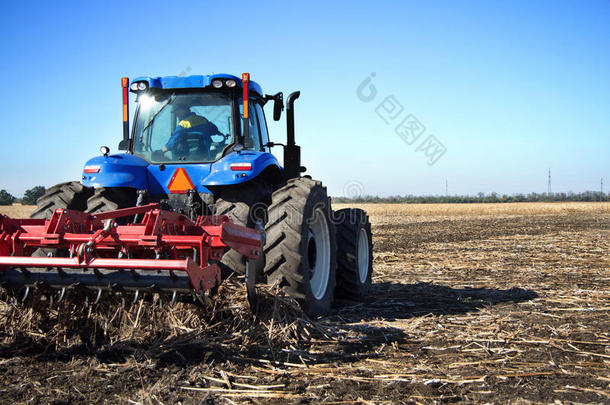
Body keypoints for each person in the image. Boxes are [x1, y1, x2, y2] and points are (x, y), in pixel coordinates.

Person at [155, 99, 221, 159]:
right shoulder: (202, 119)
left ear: (183, 110)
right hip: (205, 154)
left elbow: (174, 139)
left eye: (177, 112)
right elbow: (215, 130)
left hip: (186, 157)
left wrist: (162, 150)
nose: (177, 115)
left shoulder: (183, 124)